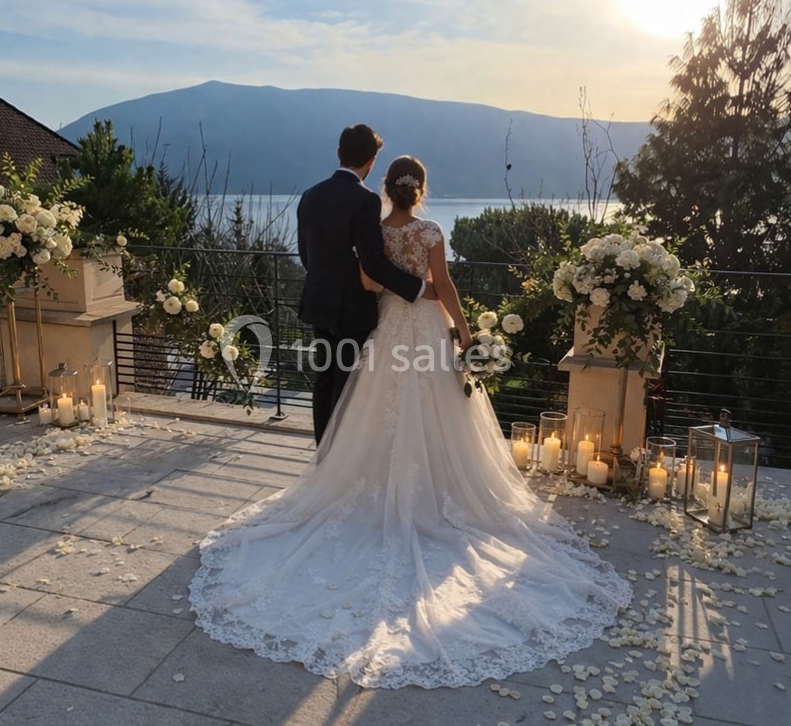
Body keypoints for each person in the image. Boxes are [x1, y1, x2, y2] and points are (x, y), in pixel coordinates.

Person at [189, 154, 631, 690]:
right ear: (419, 190)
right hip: (425, 325)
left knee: (375, 406)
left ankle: (365, 483)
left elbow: (370, 283)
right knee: (441, 410)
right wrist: (466, 337)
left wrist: (393, 287)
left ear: (387, 189)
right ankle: (438, 490)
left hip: (388, 327)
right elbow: (442, 286)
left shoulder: (377, 231)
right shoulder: (430, 230)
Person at [296, 122, 434, 443]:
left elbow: (306, 255)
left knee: (324, 380)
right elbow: (372, 262)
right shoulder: (365, 200)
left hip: (318, 304)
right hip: (351, 309)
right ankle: (337, 460)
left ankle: (323, 455)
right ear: (371, 162)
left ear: (339, 153)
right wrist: (417, 288)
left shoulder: (310, 196)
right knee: (346, 387)